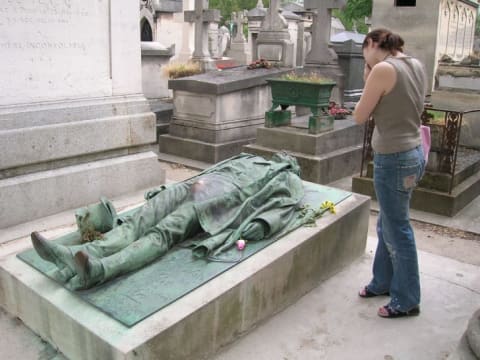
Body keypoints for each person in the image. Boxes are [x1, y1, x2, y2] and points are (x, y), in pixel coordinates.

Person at [31, 152, 307, 290]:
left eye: (290, 159)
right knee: (137, 221)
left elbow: (283, 206)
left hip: (212, 206)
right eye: (284, 154)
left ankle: (99, 269)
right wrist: (171, 187)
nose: (286, 156)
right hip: (192, 187)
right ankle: (71, 260)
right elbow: (214, 169)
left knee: (161, 234)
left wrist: (262, 224)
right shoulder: (248, 157)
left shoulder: (289, 178)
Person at [353, 29, 427, 318]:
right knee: (389, 222)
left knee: (398, 230)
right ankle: (382, 281)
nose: (365, 59)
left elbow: (360, 115)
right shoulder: (414, 63)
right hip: (413, 151)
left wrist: (367, 74)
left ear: (372, 44)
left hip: (394, 157)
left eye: (364, 53)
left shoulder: (383, 69)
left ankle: (407, 299)